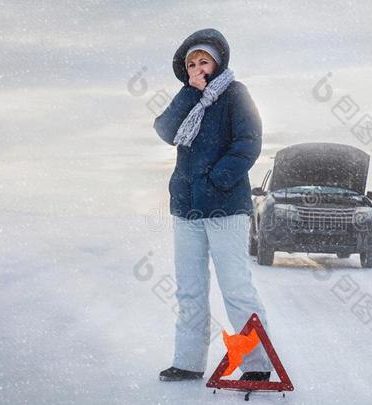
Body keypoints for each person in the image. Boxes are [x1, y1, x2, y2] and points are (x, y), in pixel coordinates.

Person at [153, 28, 273, 382]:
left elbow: (248, 143)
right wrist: (191, 93)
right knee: (189, 287)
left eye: (203, 61)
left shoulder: (236, 94)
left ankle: (257, 364)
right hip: (187, 208)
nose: (197, 67)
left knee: (235, 286)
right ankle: (188, 362)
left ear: (217, 63)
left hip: (226, 207)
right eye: (191, 63)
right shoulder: (187, 96)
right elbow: (164, 130)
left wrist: (216, 180)